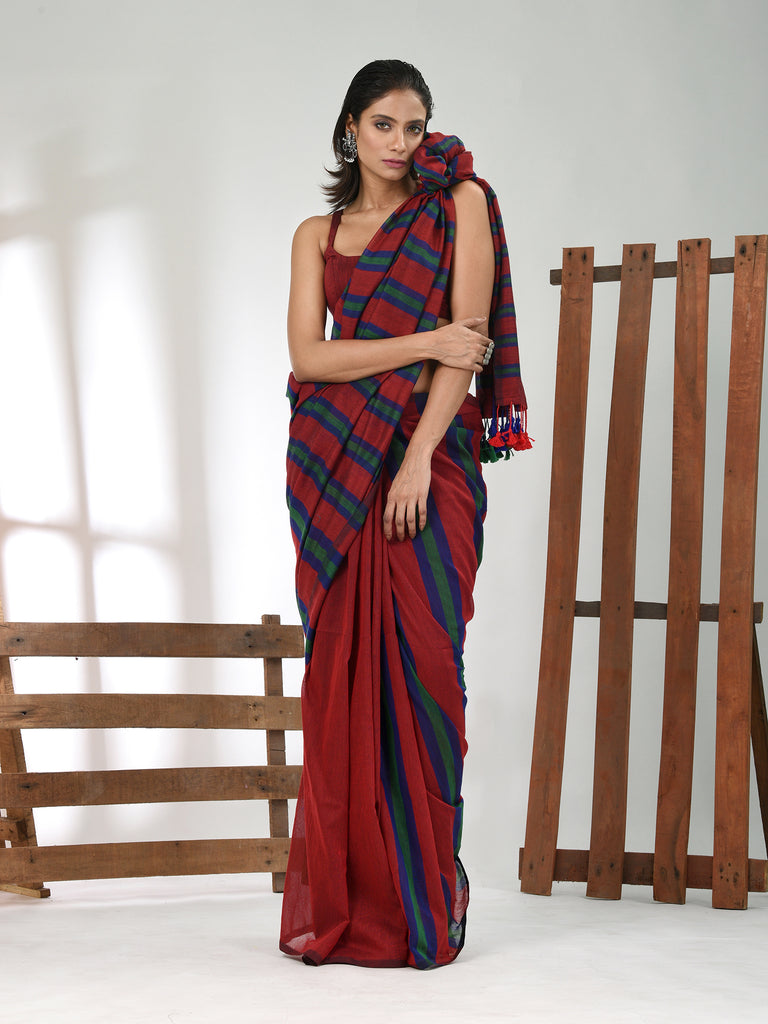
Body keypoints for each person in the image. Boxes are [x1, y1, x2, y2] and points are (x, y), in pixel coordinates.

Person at [281, 59, 529, 970]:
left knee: (429, 665)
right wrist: (423, 341)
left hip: (431, 461)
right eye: (382, 124)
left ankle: (427, 896)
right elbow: (310, 359)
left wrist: (421, 456)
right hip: (334, 469)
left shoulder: (458, 206)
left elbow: (472, 345)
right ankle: (352, 905)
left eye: (413, 126)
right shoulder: (318, 234)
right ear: (350, 128)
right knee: (340, 680)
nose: (398, 142)